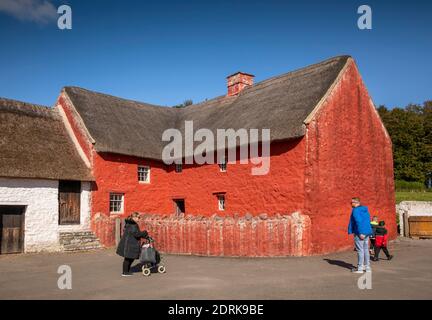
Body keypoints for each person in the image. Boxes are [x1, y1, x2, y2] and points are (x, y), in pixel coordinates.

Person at [116, 212, 150, 276]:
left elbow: (135, 233)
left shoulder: (130, 223)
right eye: (138, 217)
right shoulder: (133, 225)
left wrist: (144, 235)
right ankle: (125, 272)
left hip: (129, 243)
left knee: (130, 257)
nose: (139, 219)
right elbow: (136, 234)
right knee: (128, 258)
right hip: (130, 244)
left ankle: (126, 271)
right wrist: (145, 232)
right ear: (134, 217)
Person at [348, 197, 373, 273]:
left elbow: (358, 221)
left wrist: (361, 232)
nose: (351, 204)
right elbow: (367, 220)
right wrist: (365, 232)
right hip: (367, 232)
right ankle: (367, 267)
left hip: (360, 232)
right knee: (365, 249)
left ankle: (360, 268)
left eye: (352, 202)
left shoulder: (355, 210)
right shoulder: (365, 209)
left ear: (356, 202)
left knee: (360, 250)